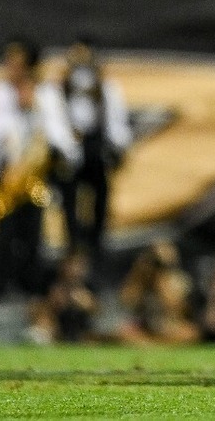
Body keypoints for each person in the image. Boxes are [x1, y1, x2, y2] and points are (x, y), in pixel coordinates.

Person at [0, 38, 82, 296]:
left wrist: (35, 110)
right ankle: (0, 285)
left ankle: (31, 285)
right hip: (7, 175)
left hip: (36, 175)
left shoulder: (47, 94)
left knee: (33, 232)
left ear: (29, 66)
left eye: (16, 63)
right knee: (4, 232)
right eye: (8, 62)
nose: (10, 67)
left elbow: (59, 134)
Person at [56, 38, 132, 267]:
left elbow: (116, 119)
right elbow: (55, 119)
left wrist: (119, 147)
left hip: (95, 147)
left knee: (100, 196)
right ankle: (72, 247)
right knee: (68, 201)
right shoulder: (61, 88)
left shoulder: (107, 88)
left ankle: (96, 245)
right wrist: (63, 148)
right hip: (70, 147)